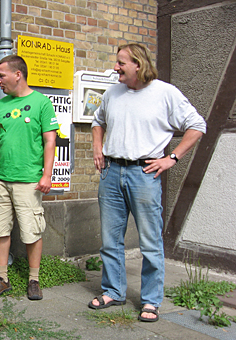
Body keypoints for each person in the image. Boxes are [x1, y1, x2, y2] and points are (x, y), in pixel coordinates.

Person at [88, 43, 206, 322]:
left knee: (150, 242)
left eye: (121, 63)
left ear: (138, 65)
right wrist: (96, 146)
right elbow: (97, 121)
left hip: (145, 173)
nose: (115, 67)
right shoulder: (113, 93)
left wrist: (172, 158)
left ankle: (151, 301)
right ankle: (113, 291)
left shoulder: (165, 93)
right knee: (110, 240)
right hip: (111, 172)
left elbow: (197, 125)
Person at [0, 55, 58, 300]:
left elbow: (50, 140)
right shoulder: (0, 106)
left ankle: (34, 280)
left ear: (18, 74)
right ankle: (3, 278)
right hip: (0, 178)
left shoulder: (41, 102)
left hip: (29, 180)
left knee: (32, 231)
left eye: (2, 76)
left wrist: (47, 175)